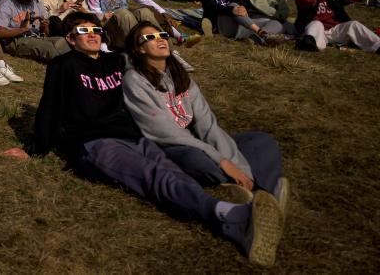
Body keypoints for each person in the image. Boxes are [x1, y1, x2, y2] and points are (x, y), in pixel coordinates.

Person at [25, 11, 284, 266]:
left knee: (173, 172)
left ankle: (235, 214)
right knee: (153, 176)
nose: (91, 35)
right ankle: (232, 215)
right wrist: (35, 149)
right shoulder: (64, 64)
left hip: (134, 138)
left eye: (95, 30)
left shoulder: (115, 61)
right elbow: (50, 106)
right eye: (83, 31)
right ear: (70, 39)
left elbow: (146, 59)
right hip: (96, 143)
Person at [123, 23, 290, 208]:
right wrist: (221, 160)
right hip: (169, 146)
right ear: (139, 49)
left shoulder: (180, 75)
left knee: (261, 141)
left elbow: (207, 123)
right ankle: (254, 189)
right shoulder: (134, 80)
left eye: (162, 34)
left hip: (196, 139)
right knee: (200, 160)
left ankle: (258, 191)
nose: (160, 39)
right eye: (150, 38)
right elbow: (166, 132)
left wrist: (233, 163)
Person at [0, 0, 69, 62]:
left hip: (36, 36)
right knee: (48, 47)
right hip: (16, 40)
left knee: (62, 41)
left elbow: (45, 33)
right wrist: (23, 29)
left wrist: (44, 26)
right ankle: (67, 66)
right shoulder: (6, 5)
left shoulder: (36, 2)